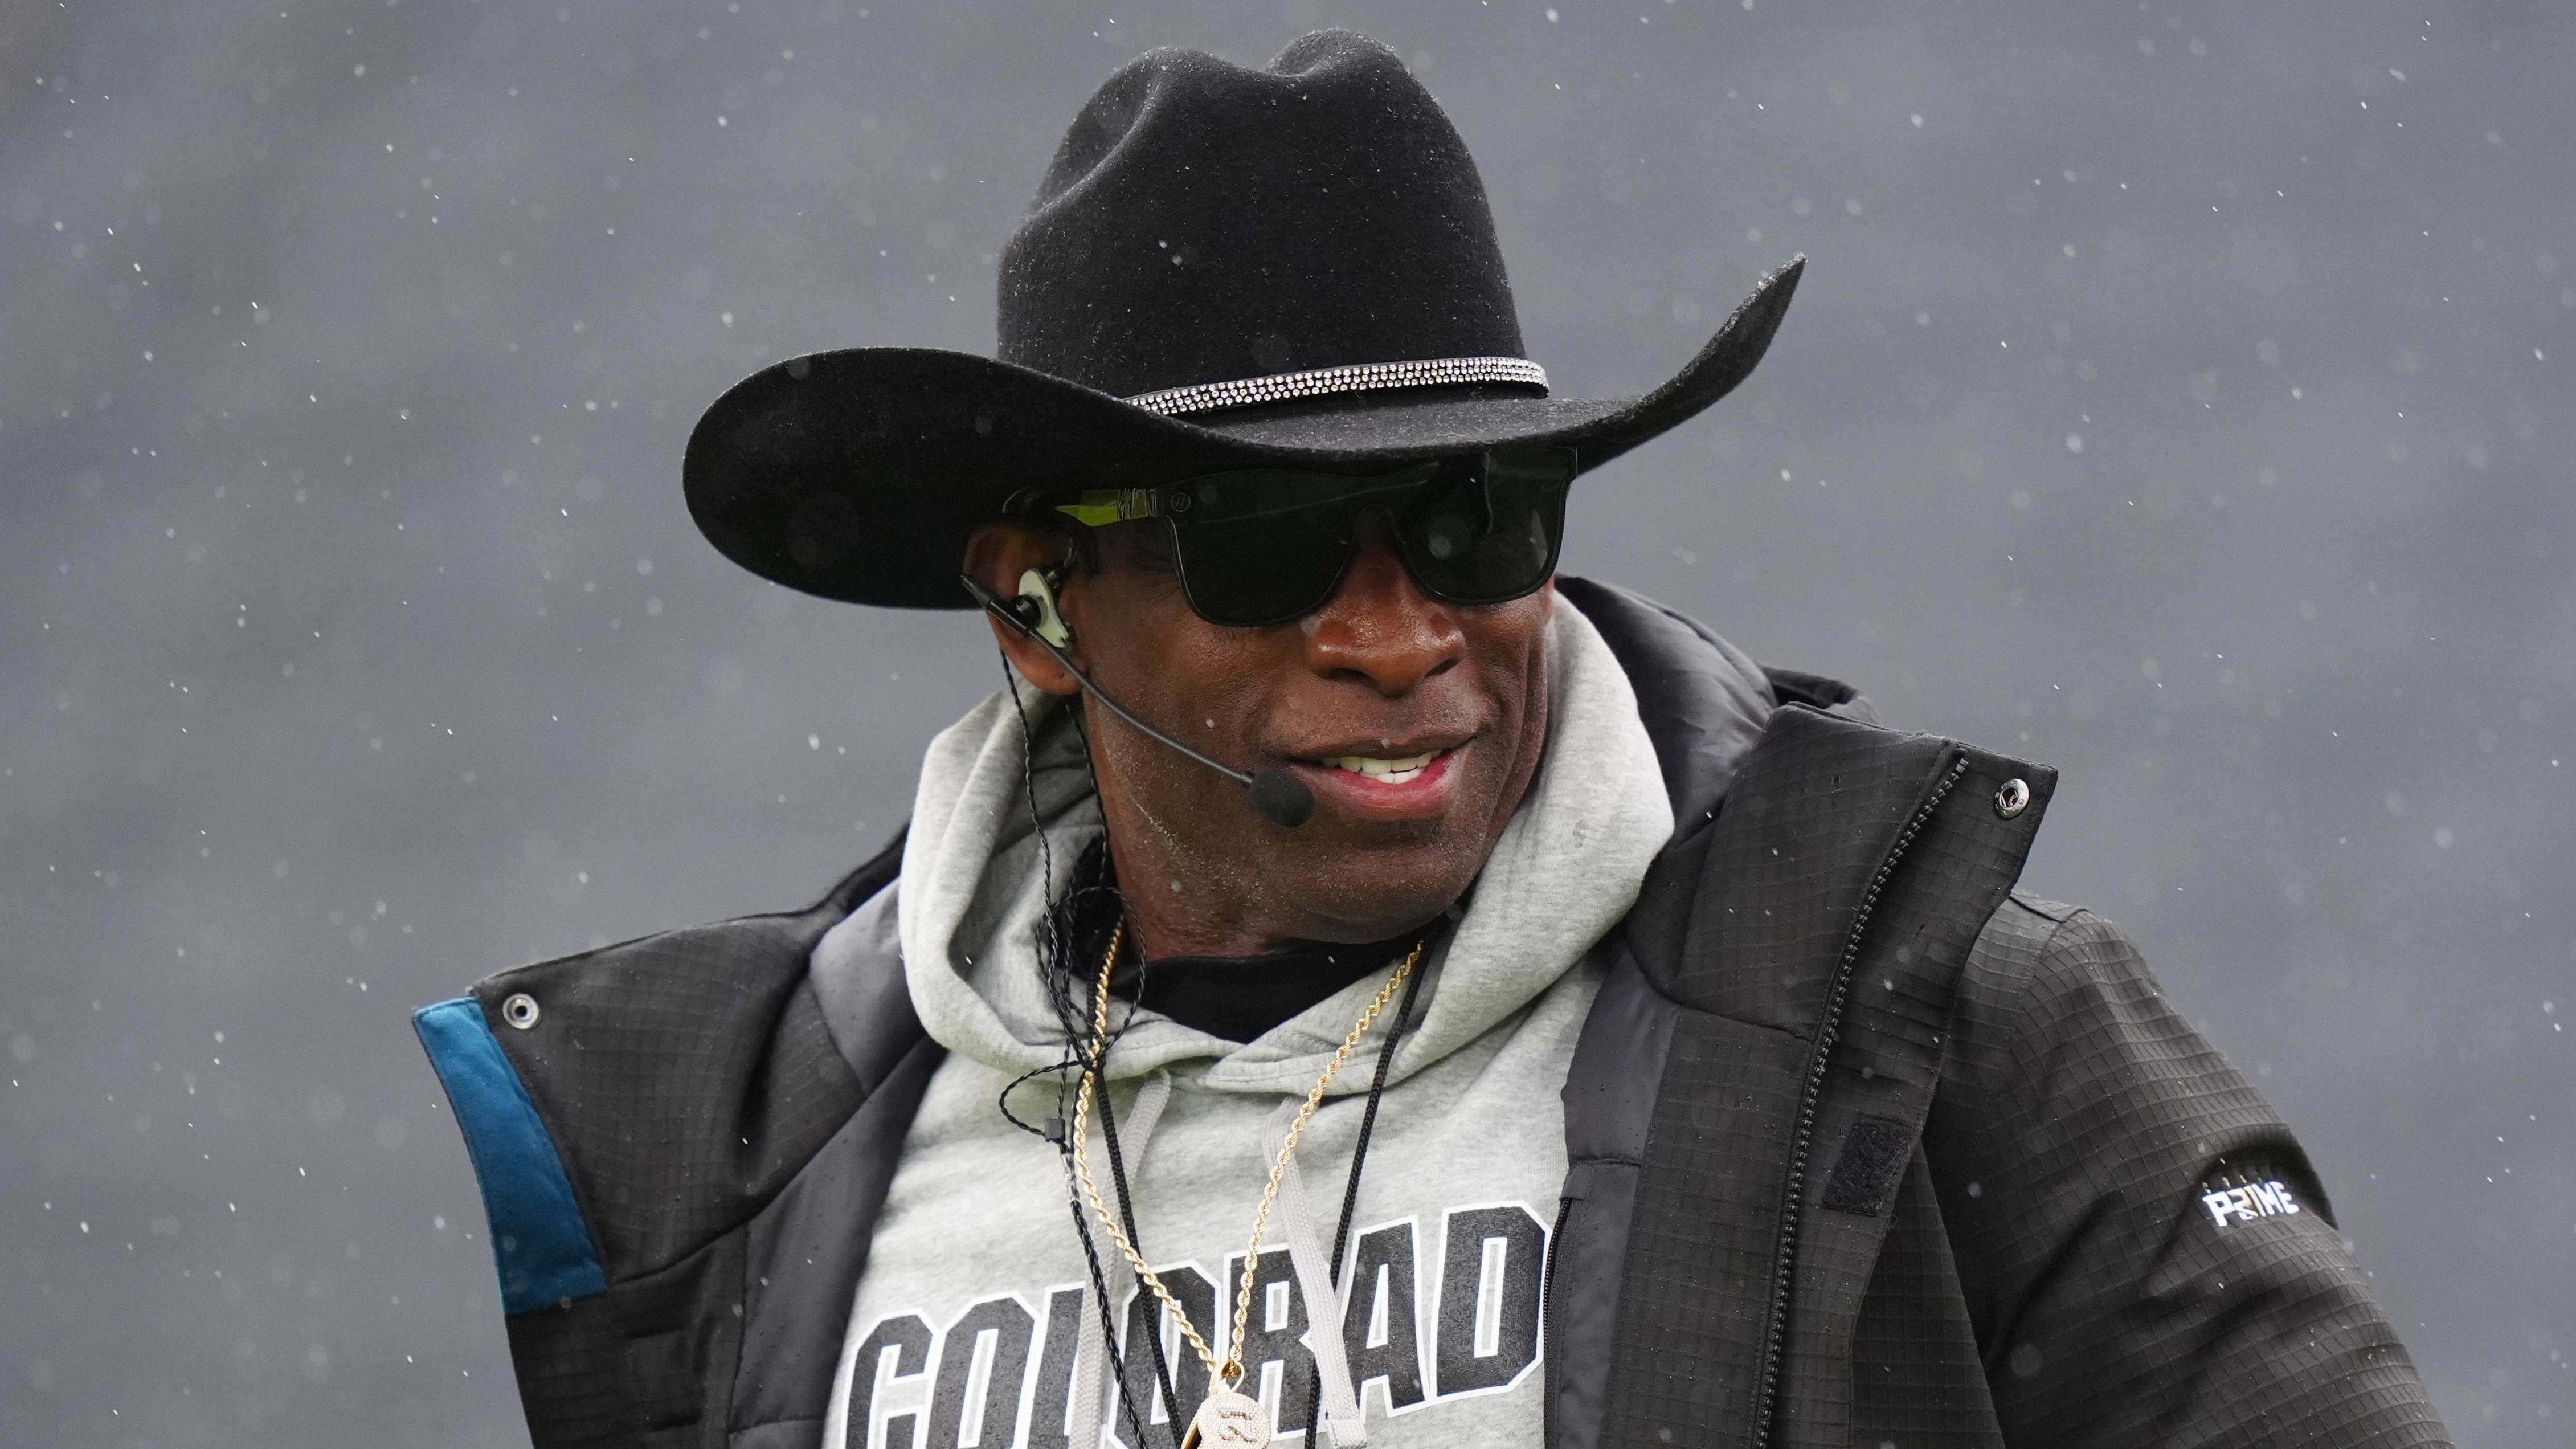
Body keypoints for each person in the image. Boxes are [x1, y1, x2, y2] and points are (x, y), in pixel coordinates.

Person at [414, 30, 2451, 1449]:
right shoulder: (746, 1156)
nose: (1400, 634)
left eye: (1483, 519)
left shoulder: (1949, 1031)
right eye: (1273, 544)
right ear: (1034, 603)